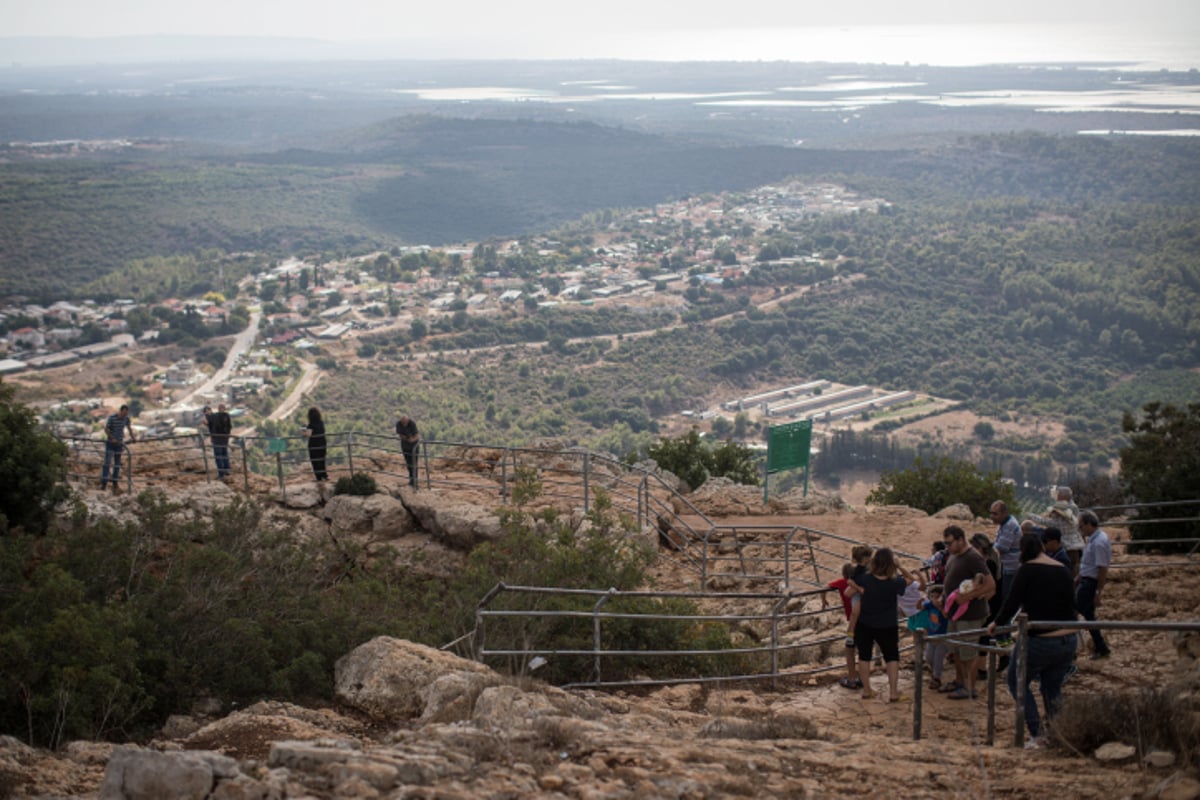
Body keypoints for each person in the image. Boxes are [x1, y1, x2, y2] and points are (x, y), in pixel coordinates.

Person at [988, 532, 1077, 749]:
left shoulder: (1027, 570)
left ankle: (1037, 733)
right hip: (1067, 639)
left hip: (1040, 639)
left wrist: (995, 624)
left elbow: (1011, 602)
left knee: (1017, 681)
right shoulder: (1063, 569)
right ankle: (1058, 734)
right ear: (1042, 547)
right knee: (1052, 687)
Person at [846, 547, 916, 702]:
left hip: (865, 623)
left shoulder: (865, 579)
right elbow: (911, 580)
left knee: (864, 657)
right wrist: (900, 566)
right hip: (887, 625)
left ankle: (866, 690)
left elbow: (850, 583)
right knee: (892, 657)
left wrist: (860, 589)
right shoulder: (895, 582)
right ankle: (893, 693)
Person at [940, 525, 996, 700]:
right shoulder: (954, 555)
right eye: (945, 543)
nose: (947, 546)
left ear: (960, 539)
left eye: (949, 543)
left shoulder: (973, 557)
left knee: (969, 652)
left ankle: (970, 687)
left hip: (970, 614)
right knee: (956, 650)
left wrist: (969, 596)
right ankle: (959, 681)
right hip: (955, 612)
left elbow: (990, 585)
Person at [1076, 510, 1113, 659]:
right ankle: (1101, 647)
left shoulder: (1099, 542)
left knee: (1074, 611)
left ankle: (1071, 647)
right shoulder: (1093, 539)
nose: (1081, 529)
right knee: (1089, 615)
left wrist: (1098, 593)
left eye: (1082, 526)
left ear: (1090, 524)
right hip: (1086, 580)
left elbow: (1102, 569)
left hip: (1090, 583)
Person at [823, 563, 863, 689]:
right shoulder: (861, 583)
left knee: (849, 650)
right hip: (866, 621)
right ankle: (862, 678)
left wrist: (823, 600)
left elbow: (825, 587)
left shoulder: (842, 582)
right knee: (863, 651)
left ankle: (852, 678)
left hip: (853, 624)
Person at [100, 404, 136, 493]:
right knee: (107, 463)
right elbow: (106, 429)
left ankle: (115, 482)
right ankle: (104, 483)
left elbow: (129, 428)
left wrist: (133, 437)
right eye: (124, 413)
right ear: (121, 411)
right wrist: (112, 438)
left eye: (126, 413)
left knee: (117, 464)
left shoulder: (126, 419)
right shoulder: (112, 418)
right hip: (110, 443)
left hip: (119, 444)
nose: (124, 415)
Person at [990, 501, 1021, 602]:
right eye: (991, 513)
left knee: (1008, 596)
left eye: (995, 514)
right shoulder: (1004, 524)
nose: (992, 516)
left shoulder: (1010, 526)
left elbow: (1001, 548)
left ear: (1004, 513)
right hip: (1006, 565)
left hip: (1011, 567)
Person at [203, 403, 233, 479]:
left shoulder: (213, 416)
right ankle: (227, 470)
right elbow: (229, 427)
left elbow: (208, 423)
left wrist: (206, 420)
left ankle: (222, 474)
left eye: (207, 411)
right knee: (224, 454)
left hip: (217, 439)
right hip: (224, 439)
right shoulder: (226, 416)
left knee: (219, 456)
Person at [301, 407, 328, 481]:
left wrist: (303, 427)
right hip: (322, 444)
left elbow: (306, 435)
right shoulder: (321, 423)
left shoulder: (311, 425)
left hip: (314, 446)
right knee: (322, 460)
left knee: (315, 462)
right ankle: (324, 475)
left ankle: (318, 477)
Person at [395, 412, 420, 489]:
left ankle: (415, 482)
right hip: (405, 446)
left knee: (414, 464)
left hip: (414, 447)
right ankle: (411, 480)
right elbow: (400, 435)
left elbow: (417, 435)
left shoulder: (412, 423)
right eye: (403, 422)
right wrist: (407, 439)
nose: (404, 424)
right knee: (409, 464)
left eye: (405, 422)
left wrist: (412, 440)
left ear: (408, 420)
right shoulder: (399, 424)